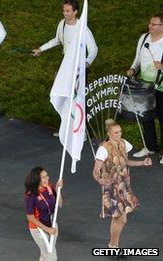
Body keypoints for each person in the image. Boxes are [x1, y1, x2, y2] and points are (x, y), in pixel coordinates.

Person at [32, 0, 98, 136]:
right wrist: (41, 49)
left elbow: (93, 49)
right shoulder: (62, 24)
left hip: (79, 67)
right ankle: (66, 129)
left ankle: (81, 132)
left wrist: (85, 63)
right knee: (64, 96)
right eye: (64, 10)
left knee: (78, 99)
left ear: (75, 11)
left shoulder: (82, 28)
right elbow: (57, 40)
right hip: (65, 66)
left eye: (68, 11)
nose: (65, 13)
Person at [92, 119, 152, 250]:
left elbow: (126, 162)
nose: (119, 135)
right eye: (116, 133)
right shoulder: (103, 149)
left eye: (120, 132)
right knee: (119, 218)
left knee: (121, 219)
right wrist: (100, 180)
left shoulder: (124, 143)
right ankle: (113, 246)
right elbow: (96, 171)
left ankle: (113, 245)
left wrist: (142, 163)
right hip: (112, 187)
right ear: (109, 133)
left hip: (124, 185)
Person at [126, 14, 163, 161]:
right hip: (145, 85)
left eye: (154, 24)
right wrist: (133, 69)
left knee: (162, 118)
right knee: (146, 116)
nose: (150, 26)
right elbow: (138, 58)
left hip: (161, 87)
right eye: (149, 23)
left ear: (162, 26)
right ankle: (150, 147)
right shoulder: (144, 38)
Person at [25, 167, 63, 261]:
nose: (47, 178)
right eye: (44, 177)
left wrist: (58, 190)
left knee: (45, 254)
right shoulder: (31, 195)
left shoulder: (49, 187)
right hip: (38, 229)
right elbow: (30, 217)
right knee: (51, 257)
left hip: (51, 223)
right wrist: (47, 229)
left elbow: (60, 205)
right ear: (37, 179)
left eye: (47, 176)